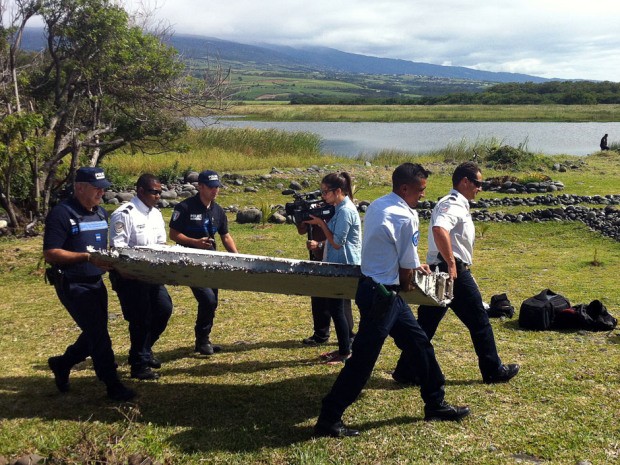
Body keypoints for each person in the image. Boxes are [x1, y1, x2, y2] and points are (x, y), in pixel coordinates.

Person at [314, 163, 470, 438]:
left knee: (420, 344)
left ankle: (435, 402)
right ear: (405, 188)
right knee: (362, 360)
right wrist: (412, 275)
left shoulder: (378, 204)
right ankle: (329, 418)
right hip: (383, 295)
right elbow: (405, 273)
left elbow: (391, 250)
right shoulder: (405, 217)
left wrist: (408, 266)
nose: (423, 195)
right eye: (421, 190)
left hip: (374, 288)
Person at [392, 161, 520, 385]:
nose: (480, 188)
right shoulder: (452, 204)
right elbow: (439, 229)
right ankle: (493, 370)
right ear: (465, 181)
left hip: (445, 268)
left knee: (426, 324)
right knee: (479, 321)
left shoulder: (458, 204)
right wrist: (452, 263)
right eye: (478, 183)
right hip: (451, 271)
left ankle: (406, 371)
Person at [43, 167, 135, 402]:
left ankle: (62, 363)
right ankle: (112, 384)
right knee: (99, 335)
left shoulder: (101, 213)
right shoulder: (61, 214)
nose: (102, 192)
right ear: (80, 187)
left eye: (104, 188)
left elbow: (100, 249)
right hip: (72, 283)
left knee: (94, 332)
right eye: (97, 188)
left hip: (96, 281)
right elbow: (51, 253)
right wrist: (85, 258)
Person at [109, 174, 173, 381]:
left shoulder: (155, 214)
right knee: (140, 319)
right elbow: (118, 249)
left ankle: (143, 350)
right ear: (141, 191)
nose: (158, 196)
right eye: (154, 192)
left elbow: (161, 244)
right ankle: (138, 364)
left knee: (163, 310)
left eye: (160, 192)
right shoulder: (124, 214)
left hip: (152, 275)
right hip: (130, 276)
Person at [169, 170, 239, 355]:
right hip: (190, 262)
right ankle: (202, 340)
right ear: (200, 187)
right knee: (207, 299)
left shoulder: (217, 210)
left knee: (212, 301)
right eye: (211, 187)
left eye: (217, 187)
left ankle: (203, 339)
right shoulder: (184, 208)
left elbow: (225, 236)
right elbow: (173, 234)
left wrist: (238, 257)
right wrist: (195, 243)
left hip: (212, 262)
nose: (215, 190)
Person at [304, 172, 361, 364]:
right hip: (336, 263)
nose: (323, 196)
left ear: (338, 191)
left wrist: (320, 223)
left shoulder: (346, 210)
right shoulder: (339, 207)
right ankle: (343, 348)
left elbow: (337, 242)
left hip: (344, 263)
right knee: (335, 308)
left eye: (325, 192)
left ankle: (345, 351)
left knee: (337, 309)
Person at [296, 222, 355, 347]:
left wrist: (320, 244)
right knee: (318, 296)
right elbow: (302, 230)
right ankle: (320, 334)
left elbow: (341, 238)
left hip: (335, 258)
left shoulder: (337, 210)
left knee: (341, 299)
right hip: (318, 257)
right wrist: (302, 221)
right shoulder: (316, 208)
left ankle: (348, 335)